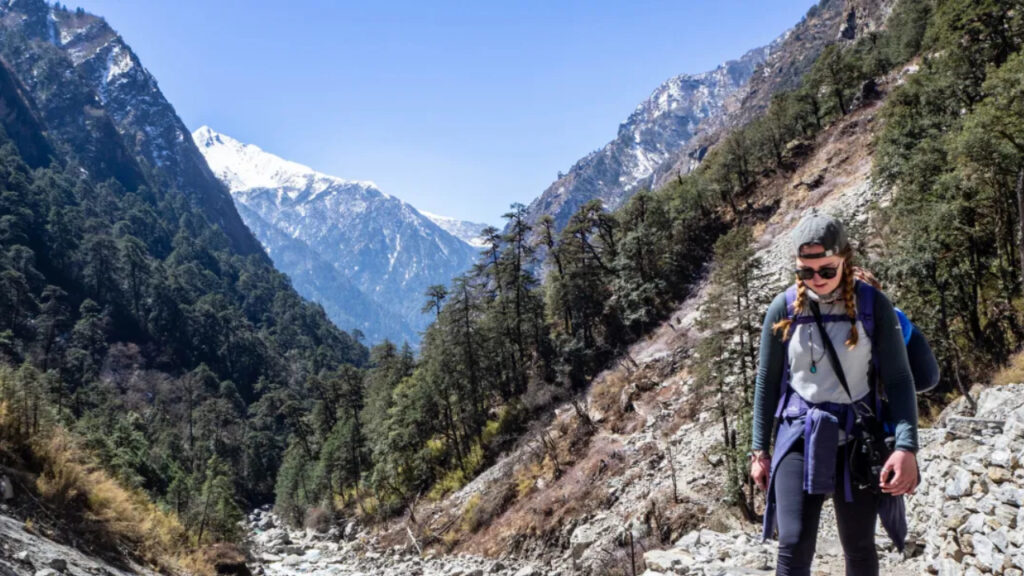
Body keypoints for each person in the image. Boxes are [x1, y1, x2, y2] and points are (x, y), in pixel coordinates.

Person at [749, 210, 919, 576]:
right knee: (793, 542)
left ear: (845, 259)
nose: (817, 279)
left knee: (858, 545)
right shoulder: (783, 308)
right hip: (799, 433)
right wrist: (759, 450)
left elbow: (899, 379)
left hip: (857, 436)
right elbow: (767, 381)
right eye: (806, 272)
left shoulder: (873, 305)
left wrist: (906, 447)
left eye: (827, 270)